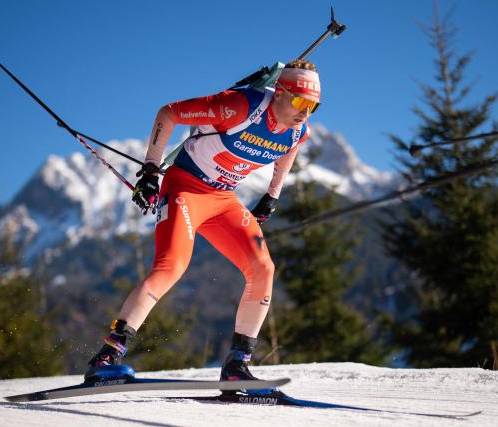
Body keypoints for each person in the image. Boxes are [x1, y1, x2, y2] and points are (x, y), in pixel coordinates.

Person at [85, 59, 321, 383]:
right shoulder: (238, 108)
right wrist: (152, 172)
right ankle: (107, 357)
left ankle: (237, 365)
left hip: (222, 199)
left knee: (263, 268)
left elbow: (289, 148)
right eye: (299, 101)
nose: (304, 112)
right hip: (185, 188)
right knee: (170, 267)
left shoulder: (299, 129)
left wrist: (272, 195)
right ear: (279, 92)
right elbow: (168, 114)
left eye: (313, 106)